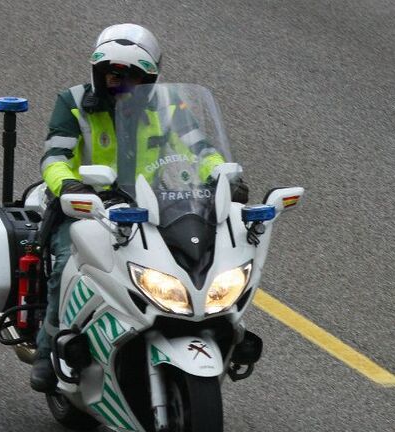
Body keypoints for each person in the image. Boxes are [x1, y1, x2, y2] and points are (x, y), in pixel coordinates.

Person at [31, 23, 250, 391]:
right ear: (98, 73)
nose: (120, 83)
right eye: (112, 74)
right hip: (89, 206)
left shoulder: (169, 106)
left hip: (154, 202)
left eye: (131, 76)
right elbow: (54, 157)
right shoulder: (72, 102)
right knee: (68, 261)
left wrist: (224, 177)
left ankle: (216, 330)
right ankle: (47, 351)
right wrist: (69, 185)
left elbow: (201, 150)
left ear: (149, 78)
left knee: (203, 253)